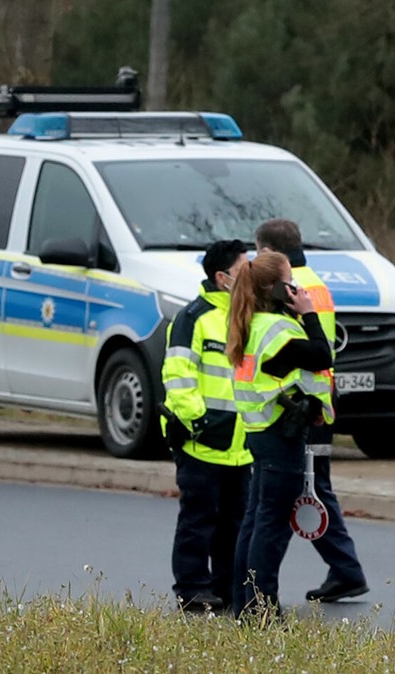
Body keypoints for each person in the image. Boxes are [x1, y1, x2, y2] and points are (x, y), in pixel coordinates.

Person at [255, 218, 369, 604]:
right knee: (312, 485)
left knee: (308, 488)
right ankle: (344, 569)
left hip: (301, 403)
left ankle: (345, 569)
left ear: (270, 252)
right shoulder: (316, 282)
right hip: (319, 397)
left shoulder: (286, 287)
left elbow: (298, 345)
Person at [229, 251, 336, 616]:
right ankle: (262, 608)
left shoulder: (254, 324)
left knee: (256, 519)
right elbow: (323, 355)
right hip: (279, 437)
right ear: (277, 288)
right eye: (292, 283)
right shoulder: (280, 331)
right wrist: (308, 313)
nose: (298, 289)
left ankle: (245, 602)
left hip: (260, 432)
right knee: (270, 527)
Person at [161, 239, 252, 613]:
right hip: (202, 441)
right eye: (243, 269)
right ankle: (192, 588)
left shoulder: (248, 314)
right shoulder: (194, 317)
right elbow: (178, 375)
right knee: (198, 522)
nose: (250, 275)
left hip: (242, 445)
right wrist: (199, 422)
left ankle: (226, 586)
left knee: (234, 523)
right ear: (222, 277)